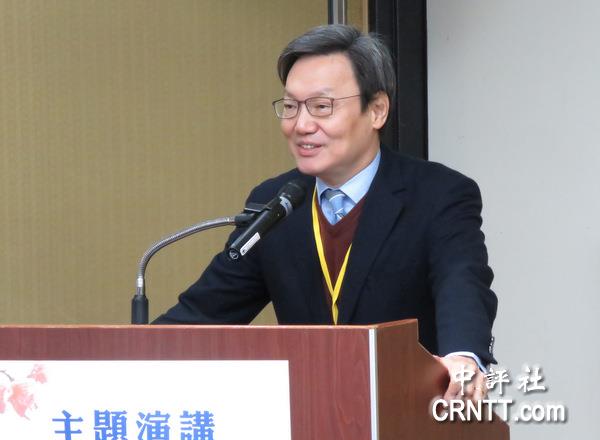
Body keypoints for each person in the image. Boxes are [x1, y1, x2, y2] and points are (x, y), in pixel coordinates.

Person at [154, 24, 497, 401]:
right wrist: (126, 357)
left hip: (410, 411)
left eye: (321, 107)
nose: (301, 125)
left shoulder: (438, 195)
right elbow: (204, 315)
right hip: (309, 414)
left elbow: (462, 284)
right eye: (290, 107)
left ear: (377, 110)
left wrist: (463, 357)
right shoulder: (276, 203)